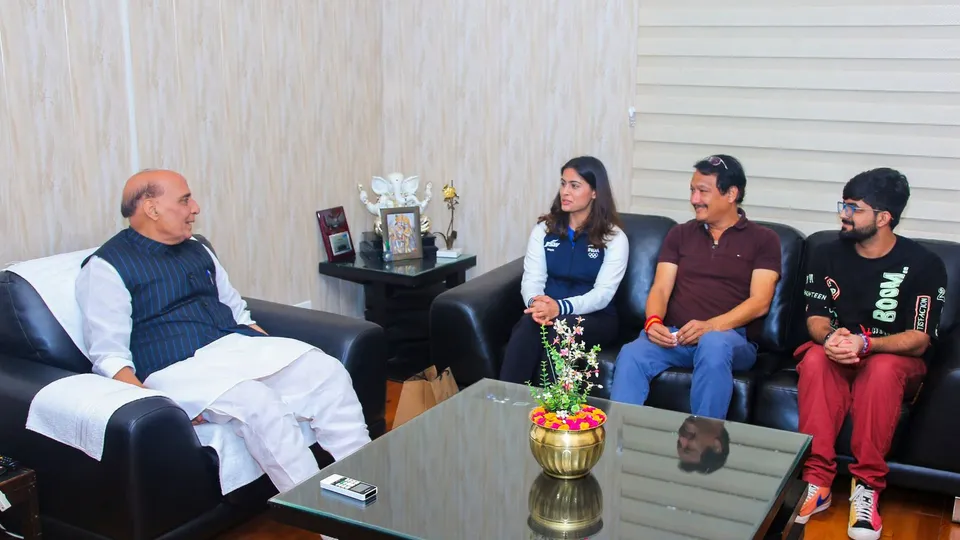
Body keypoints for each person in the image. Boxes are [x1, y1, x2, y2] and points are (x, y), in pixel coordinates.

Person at [75, 169, 371, 493]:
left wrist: (275, 354)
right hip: (174, 368)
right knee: (259, 403)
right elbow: (110, 358)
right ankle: (327, 518)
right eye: (185, 200)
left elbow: (238, 313)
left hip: (231, 349)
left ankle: (367, 492)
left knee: (325, 371)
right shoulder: (106, 267)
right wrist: (162, 409)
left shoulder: (197, 249)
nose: (196, 208)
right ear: (151, 208)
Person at [793, 168, 947, 540]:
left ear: (883, 217)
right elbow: (815, 317)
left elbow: (919, 338)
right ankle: (817, 483)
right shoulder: (825, 253)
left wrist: (868, 344)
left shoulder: (925, 265)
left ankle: (867, 488)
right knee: (815, 358)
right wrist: (831, 338)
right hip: (839, 351)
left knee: (880, 370)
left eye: (854, 208)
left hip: (891, 358)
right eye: (843, 204)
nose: (843, 214)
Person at [610, 155, 781, 419]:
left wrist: (711, 326)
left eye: (703, 191)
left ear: (731, 194)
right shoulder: (680, 234)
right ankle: (619, 446)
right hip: (677, 337)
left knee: (713, 343)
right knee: (633, 352)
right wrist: (653, 322)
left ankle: (703, 446)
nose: (694, 199)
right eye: (692, 190)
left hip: (730, 339)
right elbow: (660, 289)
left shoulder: (764, 240)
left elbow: (760, 302)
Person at [499, 156, 629, 384]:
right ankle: (506, 402)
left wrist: (559, 308)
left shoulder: (614, 237)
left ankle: (552, 412)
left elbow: (602, 295)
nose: (565, 192)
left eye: (575, 185)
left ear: (595, 192)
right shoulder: (543, 230)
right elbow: (532, 278)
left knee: (560, 330)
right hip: (548, 311)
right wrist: (536, 304)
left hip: (594, 317)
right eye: (563, 183)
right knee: (528, 325)